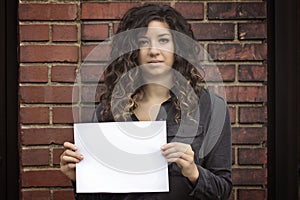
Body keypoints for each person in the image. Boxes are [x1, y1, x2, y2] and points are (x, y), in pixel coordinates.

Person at [60, 4, 232, 200]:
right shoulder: (107, 112)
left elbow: (223, 190)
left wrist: (194, 172)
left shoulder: (210, 107)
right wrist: (80, 178)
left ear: (178, 48)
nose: (153, 51)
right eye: (143, 41)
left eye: (164, 40)